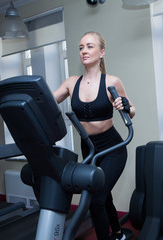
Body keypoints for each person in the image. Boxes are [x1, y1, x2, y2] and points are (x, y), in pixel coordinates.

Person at [54, 31, 135, 240]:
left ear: (102, 52)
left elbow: (131, 110)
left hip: (113, 148)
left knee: (96, 198)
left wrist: (126, 105)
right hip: (89, 149)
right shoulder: (71, 83)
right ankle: (117, 232)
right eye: (81, 47)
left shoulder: (112, 81)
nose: (84, 51)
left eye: (90, 46)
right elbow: (45, 100)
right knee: (103, 194)